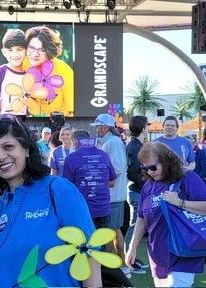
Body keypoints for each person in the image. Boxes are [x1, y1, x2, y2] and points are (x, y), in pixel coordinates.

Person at [0, 114, 101, 287]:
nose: (0, 156)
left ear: (26, 149)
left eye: (8, 146)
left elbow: (90, 254)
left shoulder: (58, 190)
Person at [126, 142, 206, 287]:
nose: (150, 172)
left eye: (153, 167)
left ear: (165, 161)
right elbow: (142, 218)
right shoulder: (148, 186)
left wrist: (180, 202)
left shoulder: (187, 177)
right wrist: (132, 247)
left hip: (185, 251)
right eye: (145, 168)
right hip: (158, 252)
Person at [90, 113, 129, 278]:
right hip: (111, 194)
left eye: (98, 126)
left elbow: (117, 168)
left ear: (105, 127)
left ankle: (120, 265)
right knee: (113, 229)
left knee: (112, 230)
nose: (97, 129)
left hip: (113, 195)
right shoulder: (110, 142)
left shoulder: (113, 142)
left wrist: (99, 180)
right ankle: (120, 264)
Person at [63, 129, 116, 229]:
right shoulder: (103, 155)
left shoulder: (71, 158)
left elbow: (67, 187)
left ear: (74, 141)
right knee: (100, 242)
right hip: (103, 209)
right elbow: (112, 182)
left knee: (83, 242)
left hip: (81, 210)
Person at [24, 25, 74, 117]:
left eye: (42, 50)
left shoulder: (64, 71)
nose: (35, 54)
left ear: (49, 51)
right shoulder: (22, 64)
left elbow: (73, 112)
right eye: (31, 48)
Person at [125, 115, 150, 274]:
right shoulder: (135, 147)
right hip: (137, 192)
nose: (148, 128)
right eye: (147, 125)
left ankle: (131, 258)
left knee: (137, 226)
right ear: (143, 128)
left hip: (139, 191)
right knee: (134, 227)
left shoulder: (138, 145)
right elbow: (133, 173)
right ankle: (129, 260)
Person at [0, 29, 27, 115]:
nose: (15, 55)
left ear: (26, 50)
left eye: (19, 49)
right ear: (4, 52)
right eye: (10, 50)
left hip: (28, 123)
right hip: (4, 124)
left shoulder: (32, 72)